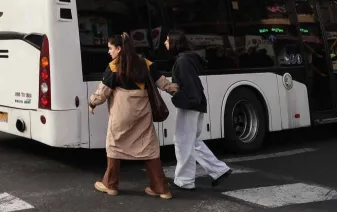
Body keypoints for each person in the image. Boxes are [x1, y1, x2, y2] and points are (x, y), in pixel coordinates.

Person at [89, 32, 178, 199]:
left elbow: (102, 93)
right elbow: (163, 83)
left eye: (110, 48)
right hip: (142, 113)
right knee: (150, 148)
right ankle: (161, 189)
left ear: (119, 48)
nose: (109, 52)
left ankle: (111, 185)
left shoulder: (114, 66)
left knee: (114, 145)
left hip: (121, 113)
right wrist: (176, 90)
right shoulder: (146, 63)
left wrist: (92, 102)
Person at [166, 32, 232, 190]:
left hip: (190, 105)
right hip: (196, 104)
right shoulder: (188, 59)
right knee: (191, 141)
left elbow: (188, 86)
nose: (165, 43)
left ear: (174, 42)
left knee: (183, 142)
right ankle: (219, 170)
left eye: (167, 40)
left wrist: (178, 98)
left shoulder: (182, 61)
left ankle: (185, 181)